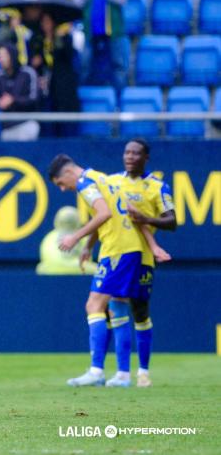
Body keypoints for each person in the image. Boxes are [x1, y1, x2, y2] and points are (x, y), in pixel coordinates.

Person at [48, 154, 167, 388]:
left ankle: (96, 371)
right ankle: (123, 374)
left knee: (93, 305)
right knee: (118, 306)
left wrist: (75, 237)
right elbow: (121, 213)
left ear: (68, 173)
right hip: (128, 248)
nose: (63, 189)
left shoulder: (85, 183)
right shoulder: (103, 178)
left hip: (117, 250)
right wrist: (90, 246)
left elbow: (104, 214)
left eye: (61, 184)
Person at [110, 139, 177, 387]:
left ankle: (144, 372)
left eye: (136, 153)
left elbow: (172, 221)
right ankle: (121, 372)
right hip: (116, 254)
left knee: (139, 311)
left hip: (142, 256)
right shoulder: (112, 182)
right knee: (115, 308)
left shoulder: (157, 187)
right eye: (127, 152)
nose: (130, 156)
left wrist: (146, 218)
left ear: (145, 157)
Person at [72, 0, 127, 96]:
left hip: (114, 31)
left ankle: (120, 97)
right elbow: (76, 3)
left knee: (118, 65)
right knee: (84, 64)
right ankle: (82, 95)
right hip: (90, 31)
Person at [0, 43, 40, 141]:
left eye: (4, 55)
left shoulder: (28, 73)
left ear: (12, 55)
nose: (1, 59)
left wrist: (13, 100)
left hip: (27, 123)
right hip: (6, 127)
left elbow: (34, 98)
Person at [35, 206, 97, 275]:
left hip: (52, 269)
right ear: (77, 221)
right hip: (75, 270)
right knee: (99, 270)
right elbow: (86, 259)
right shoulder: (80, 236)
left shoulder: (48, 237)